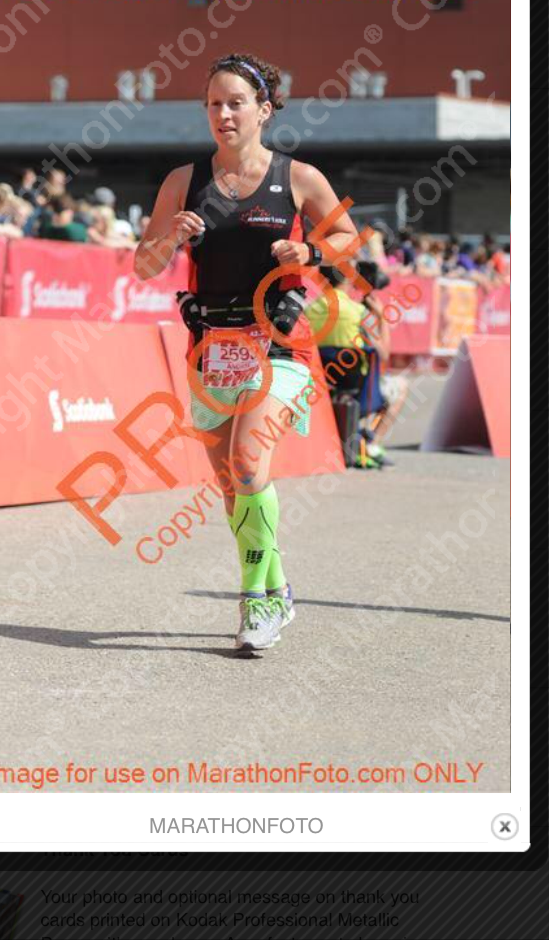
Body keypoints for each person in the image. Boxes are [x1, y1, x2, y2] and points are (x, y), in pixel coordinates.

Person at [134, 52, 356, 653]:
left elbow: (347, 237)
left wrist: (310, 254)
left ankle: (255, 601)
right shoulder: (183, 181)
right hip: (211, 348)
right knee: (234, 488)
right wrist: (171, 237)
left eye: (236, 103)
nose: (223, 114)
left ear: (264, 109)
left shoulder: (298, 177)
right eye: (214, 104)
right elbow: (143, 265)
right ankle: (278, 588)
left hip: (277, 341)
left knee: (248, 465)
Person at [306, 263, 408, 469]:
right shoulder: (358, 311)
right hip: (357, 385)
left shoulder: (308, 310)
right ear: (348, 280)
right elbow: (384, 353)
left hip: (320, 384)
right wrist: (381, 318)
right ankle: (372, 444)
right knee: (402, 385)